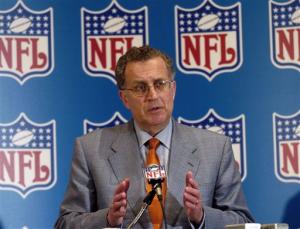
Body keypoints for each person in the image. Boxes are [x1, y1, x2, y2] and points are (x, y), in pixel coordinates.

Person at [55, 46, 254, 229]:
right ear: (125, 98)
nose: (152, 95)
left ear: (173, 90)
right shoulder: (90, 149)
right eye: (141, 88)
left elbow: (243, 222)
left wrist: (201, 216)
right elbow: (65, 223)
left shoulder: (216, 148)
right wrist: (107, 220)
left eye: (160, 84)